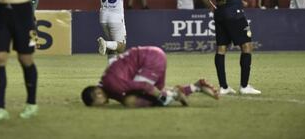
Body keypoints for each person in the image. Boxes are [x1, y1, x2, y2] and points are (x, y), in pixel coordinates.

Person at [199, 0, 261, 95]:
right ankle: (244, 86)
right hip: (234, 11)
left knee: (221, 49)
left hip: (220, 13)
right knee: (246, 46)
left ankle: (224, 87)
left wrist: (211, 6)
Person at [81, 46, 219, 107]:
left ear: (98, 94)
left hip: (151, 60)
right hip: (152, 57)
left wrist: (163, 98)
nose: (100, 107)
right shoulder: (108, 85)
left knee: (142, 99)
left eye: (96, 105)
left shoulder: (112, 85)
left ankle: (176, 95)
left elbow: (143, 86)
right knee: (148, 96)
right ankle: (195, 87)